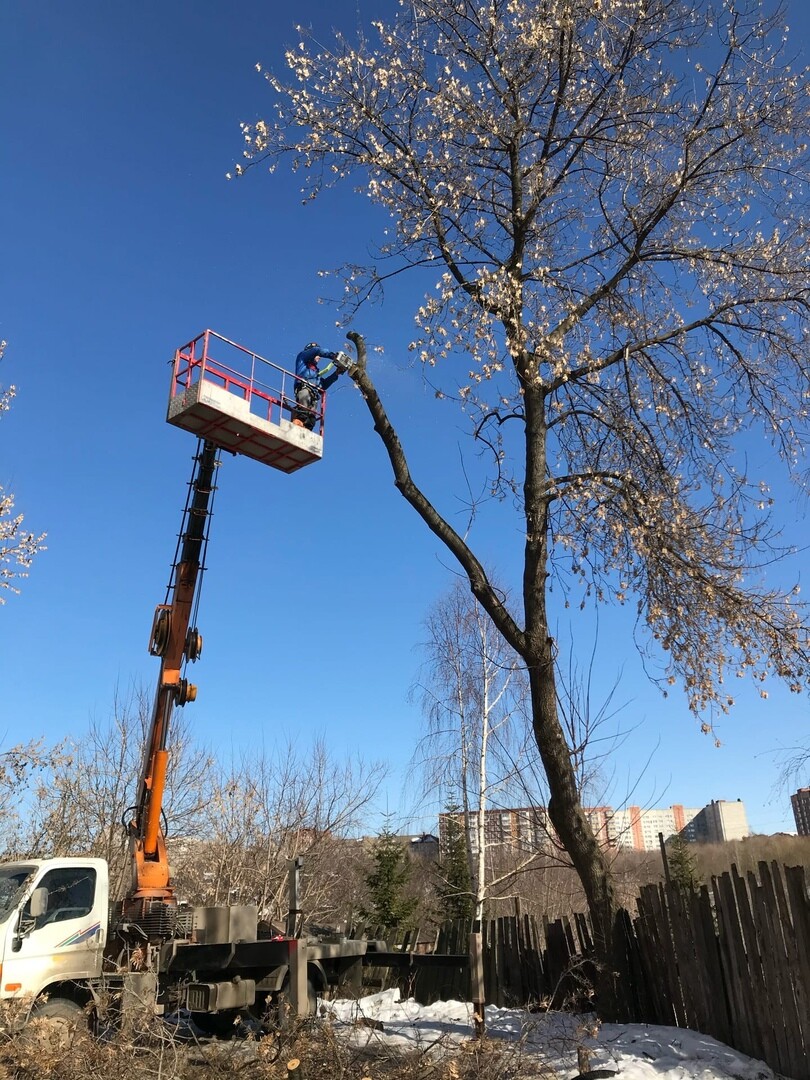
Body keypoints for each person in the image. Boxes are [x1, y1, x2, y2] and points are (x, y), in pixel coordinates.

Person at [292, 342, 349, 430]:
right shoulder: (302, 359)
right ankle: (298, 422)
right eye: (318, 355)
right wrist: (333, 355)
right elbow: (316, 350)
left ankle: (307, 429)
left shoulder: (315, 373)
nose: (319, 357)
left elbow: (323, 385)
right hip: (304, 389)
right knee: (303, 412)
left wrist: (336, 373)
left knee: (311, 420)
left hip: (313, 396)